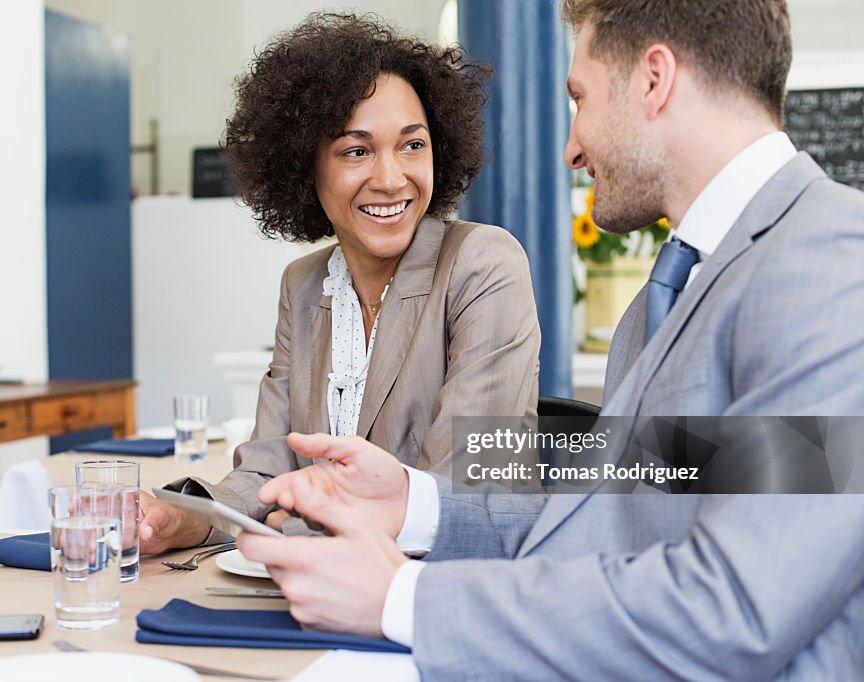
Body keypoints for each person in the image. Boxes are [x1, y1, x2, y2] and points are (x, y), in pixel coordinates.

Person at [236, 1, 864, 679]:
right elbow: (608, 519)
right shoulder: (673, 294)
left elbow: (735, 608)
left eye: (579, 97)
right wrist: (414, 502)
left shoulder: (830, 261)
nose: (570, 148)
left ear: (654, 79)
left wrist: (403, 597)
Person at [139, 13, 541, 552]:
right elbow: (264, 472)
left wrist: (303, 523)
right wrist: (185, 517)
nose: (392, 178)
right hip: (319, 596)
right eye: (357, 150)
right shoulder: (303, 285)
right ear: (307, 168)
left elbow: (466, 487)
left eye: (412, 145)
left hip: (443, 596)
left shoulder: (483, 264)